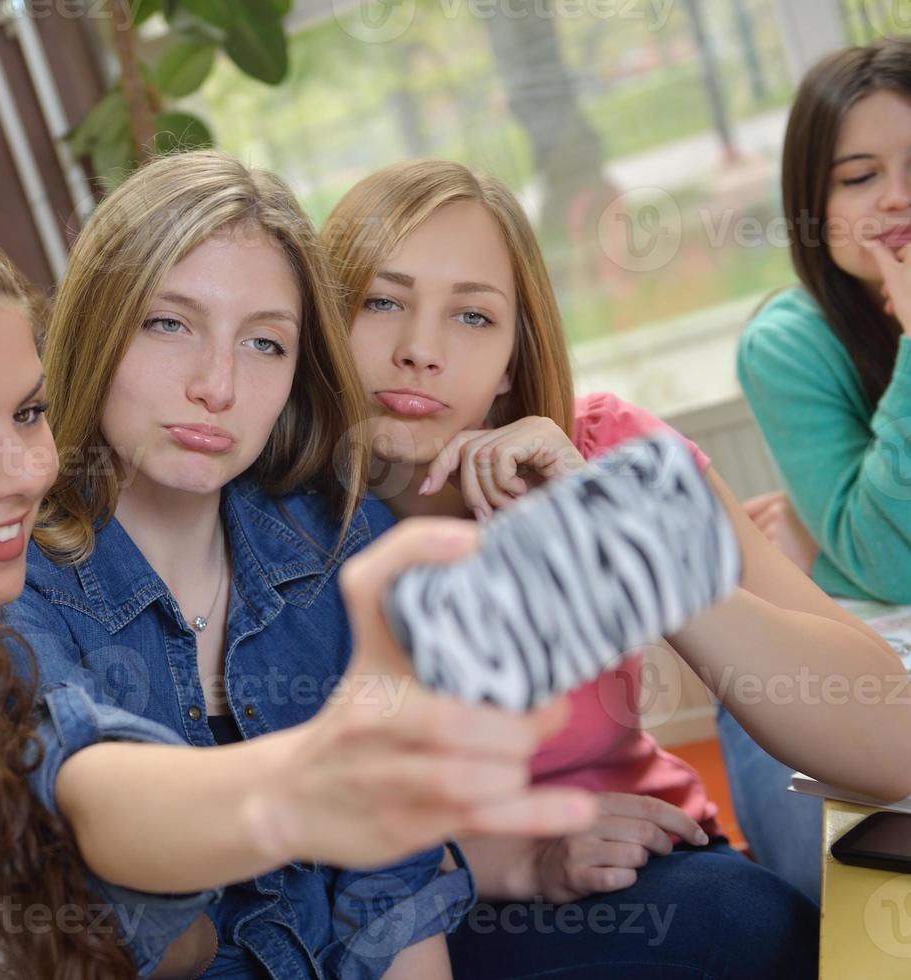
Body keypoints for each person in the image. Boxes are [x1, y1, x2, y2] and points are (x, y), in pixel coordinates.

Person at [0, 198, 593, 979]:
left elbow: (394, 900)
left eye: (26, 415)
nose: (21, 472)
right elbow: (91, 786)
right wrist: (299, 790)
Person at [320, 157, 911, 976]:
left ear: (510, 358)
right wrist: (508, 852)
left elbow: (892, 738)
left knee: (751, 924)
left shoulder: (601, 448)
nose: (420, 350)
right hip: (409, 911)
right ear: (322, 321)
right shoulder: (269, 519)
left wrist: (618, 537)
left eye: (473, 317)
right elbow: (275, 820)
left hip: (655, 876)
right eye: (381, 302)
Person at [9, 149, 593, 978]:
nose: (217, 385)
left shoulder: (337, 540)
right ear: (98, 326)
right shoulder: (12, 573)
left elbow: (393, 901)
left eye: (264, 344)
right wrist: (304, 790)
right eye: (168, 323)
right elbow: (90, 816)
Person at [723, 37, 911, 904]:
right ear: (812, 200)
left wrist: (822, 542)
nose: (895, 199)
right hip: (865, 640)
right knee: (843, 882)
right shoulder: (787, 343)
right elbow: (883, 559)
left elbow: (858, 544)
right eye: (857, 175)